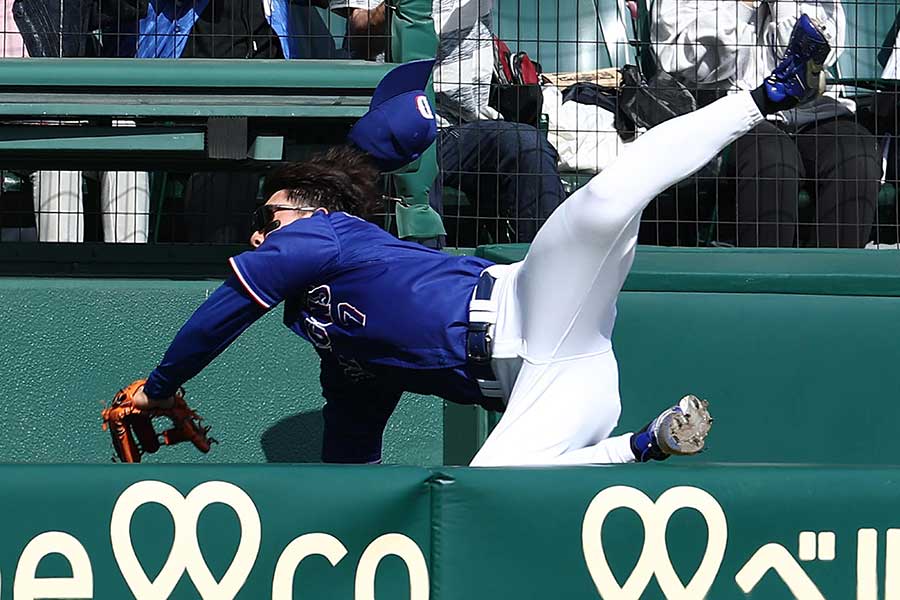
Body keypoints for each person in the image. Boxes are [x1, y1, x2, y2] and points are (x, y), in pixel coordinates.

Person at [130, 29, 828, 466]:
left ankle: (769, 93)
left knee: (608, 198)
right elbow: (351, 440)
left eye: (267, 214)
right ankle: (642, 446)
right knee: (492, 492)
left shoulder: (326, 233)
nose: (258, 231)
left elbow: (227, 307)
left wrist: (159, 388)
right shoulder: (332, 337)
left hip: (535, 302)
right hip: (549, 388)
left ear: (308, 206)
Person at [331, 0, 566, 245]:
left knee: (526, 145)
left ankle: (544, 268)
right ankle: (428, 273)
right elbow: (359, 33)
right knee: (418, 175)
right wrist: (396, 6)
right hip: (397, 123)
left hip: (467, 124)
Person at [652, 0, 880, 248]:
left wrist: (784, 5)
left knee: (855, 155)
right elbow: (698, 67)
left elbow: (814, 60)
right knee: (773, 158)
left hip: (809, 110)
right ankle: (765, 280)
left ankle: (832, 281)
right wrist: (743, 7)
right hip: (726, 108)